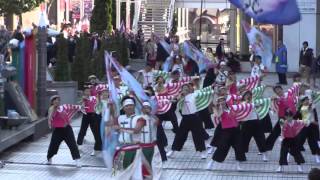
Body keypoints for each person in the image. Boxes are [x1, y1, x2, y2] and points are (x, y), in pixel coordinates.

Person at [166, 84, 207, 159]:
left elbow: (203, 92)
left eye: (186, 88)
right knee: (180, 135)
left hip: (195, 117)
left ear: (189, 89)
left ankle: (202, 151)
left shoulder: (193, 95)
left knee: (198, 135)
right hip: (185, 118)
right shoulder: (180, 96)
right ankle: (173, 150)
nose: (185, 89)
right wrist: (179, 96)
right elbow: (174, 101)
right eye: (183, 88)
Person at [207, 96, 246, 171]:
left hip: (236, 129)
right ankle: (211, 163)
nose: (222, 101)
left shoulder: (231, 107)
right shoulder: (217, 108)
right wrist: (221, 107)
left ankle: (238, 165)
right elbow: (218, 115)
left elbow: (239, 113)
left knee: (239, 147)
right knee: (222, 146)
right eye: (220, 100)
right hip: (226, 130)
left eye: (223, 100)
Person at [47, 95, 83, 167]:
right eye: (55, 100)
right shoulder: (51, 109)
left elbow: (73, 107)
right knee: (53, 145)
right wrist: (54, 109)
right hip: (58, 130)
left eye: (58, 100)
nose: (57, 101)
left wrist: (81, 106)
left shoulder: (64, 107)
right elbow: (50, 116)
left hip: (67, 129)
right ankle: (49, 157)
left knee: (72, 144)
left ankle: (77, 160)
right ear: (52, 102)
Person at [77, 86, 102, 156]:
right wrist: (83, 101)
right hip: (86, 115)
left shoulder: (94, 97)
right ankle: (79, 145)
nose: (88, 92)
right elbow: (80, 108)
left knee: (96, 131)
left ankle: (97, 148)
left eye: (89, 91)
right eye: (86, 91)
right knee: (82, 130)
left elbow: (98, 105)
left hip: (94, 115)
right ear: (84, 92)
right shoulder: (83, 99)